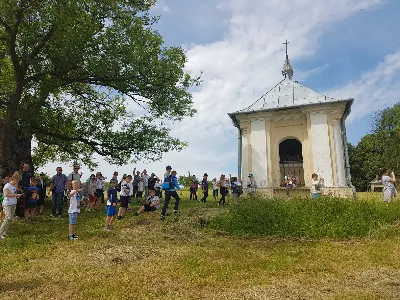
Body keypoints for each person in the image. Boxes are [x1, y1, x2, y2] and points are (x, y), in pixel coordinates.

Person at [0, 172, 23, 240]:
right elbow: (7, 195)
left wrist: (17, 195)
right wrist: (16, 195)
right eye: (17, 181)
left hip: (13, 203)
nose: (18, 182)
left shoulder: (14, 186)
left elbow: (15, 191)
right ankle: (0, 233)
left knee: (9, 219)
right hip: (7, 204)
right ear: (14, 179)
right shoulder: (7, 186)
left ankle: (5, 232)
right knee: (8, 218)